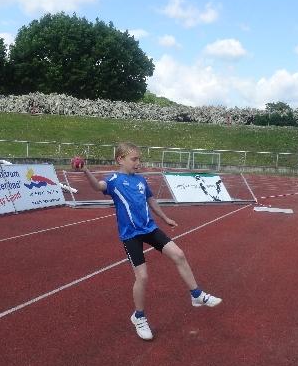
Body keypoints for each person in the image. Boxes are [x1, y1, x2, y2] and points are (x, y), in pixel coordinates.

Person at [77, 142, 222, 341]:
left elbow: (151, 200)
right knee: (143, 277)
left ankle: (196, 295)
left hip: (149, 229)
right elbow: (97, 186)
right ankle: (139, 317)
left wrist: (165, 218)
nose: (138, 162)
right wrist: (85, 170)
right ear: (120, 159)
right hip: (131, 235)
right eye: (134, 159)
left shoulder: (141, 180)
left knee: (179, 255)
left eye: (139, 159)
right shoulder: (113, 180)